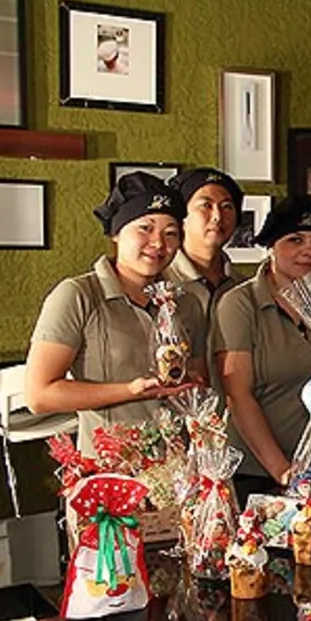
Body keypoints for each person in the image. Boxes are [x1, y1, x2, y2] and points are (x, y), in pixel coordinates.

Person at [26, 174, 205, 454]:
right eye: (145, 228)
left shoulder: (186, 303)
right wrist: (131, 390)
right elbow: (40, 395)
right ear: (116, 232)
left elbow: (197, 377)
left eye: (171, 233)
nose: (158, 242)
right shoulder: (78, 295)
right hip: (109, 474)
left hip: (177, 471)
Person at [214, 195, 311, 499]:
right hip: (256, 474)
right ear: (272, 245)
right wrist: (283, 471)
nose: (309, 250)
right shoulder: (241, 304)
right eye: (295, 239)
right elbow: (237, 395)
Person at [164, 167, 246, 361]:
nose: (217, 216)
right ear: (181, 217)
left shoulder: (243, 287)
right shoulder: (160, 283)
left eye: (227, 206)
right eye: (205, 206)